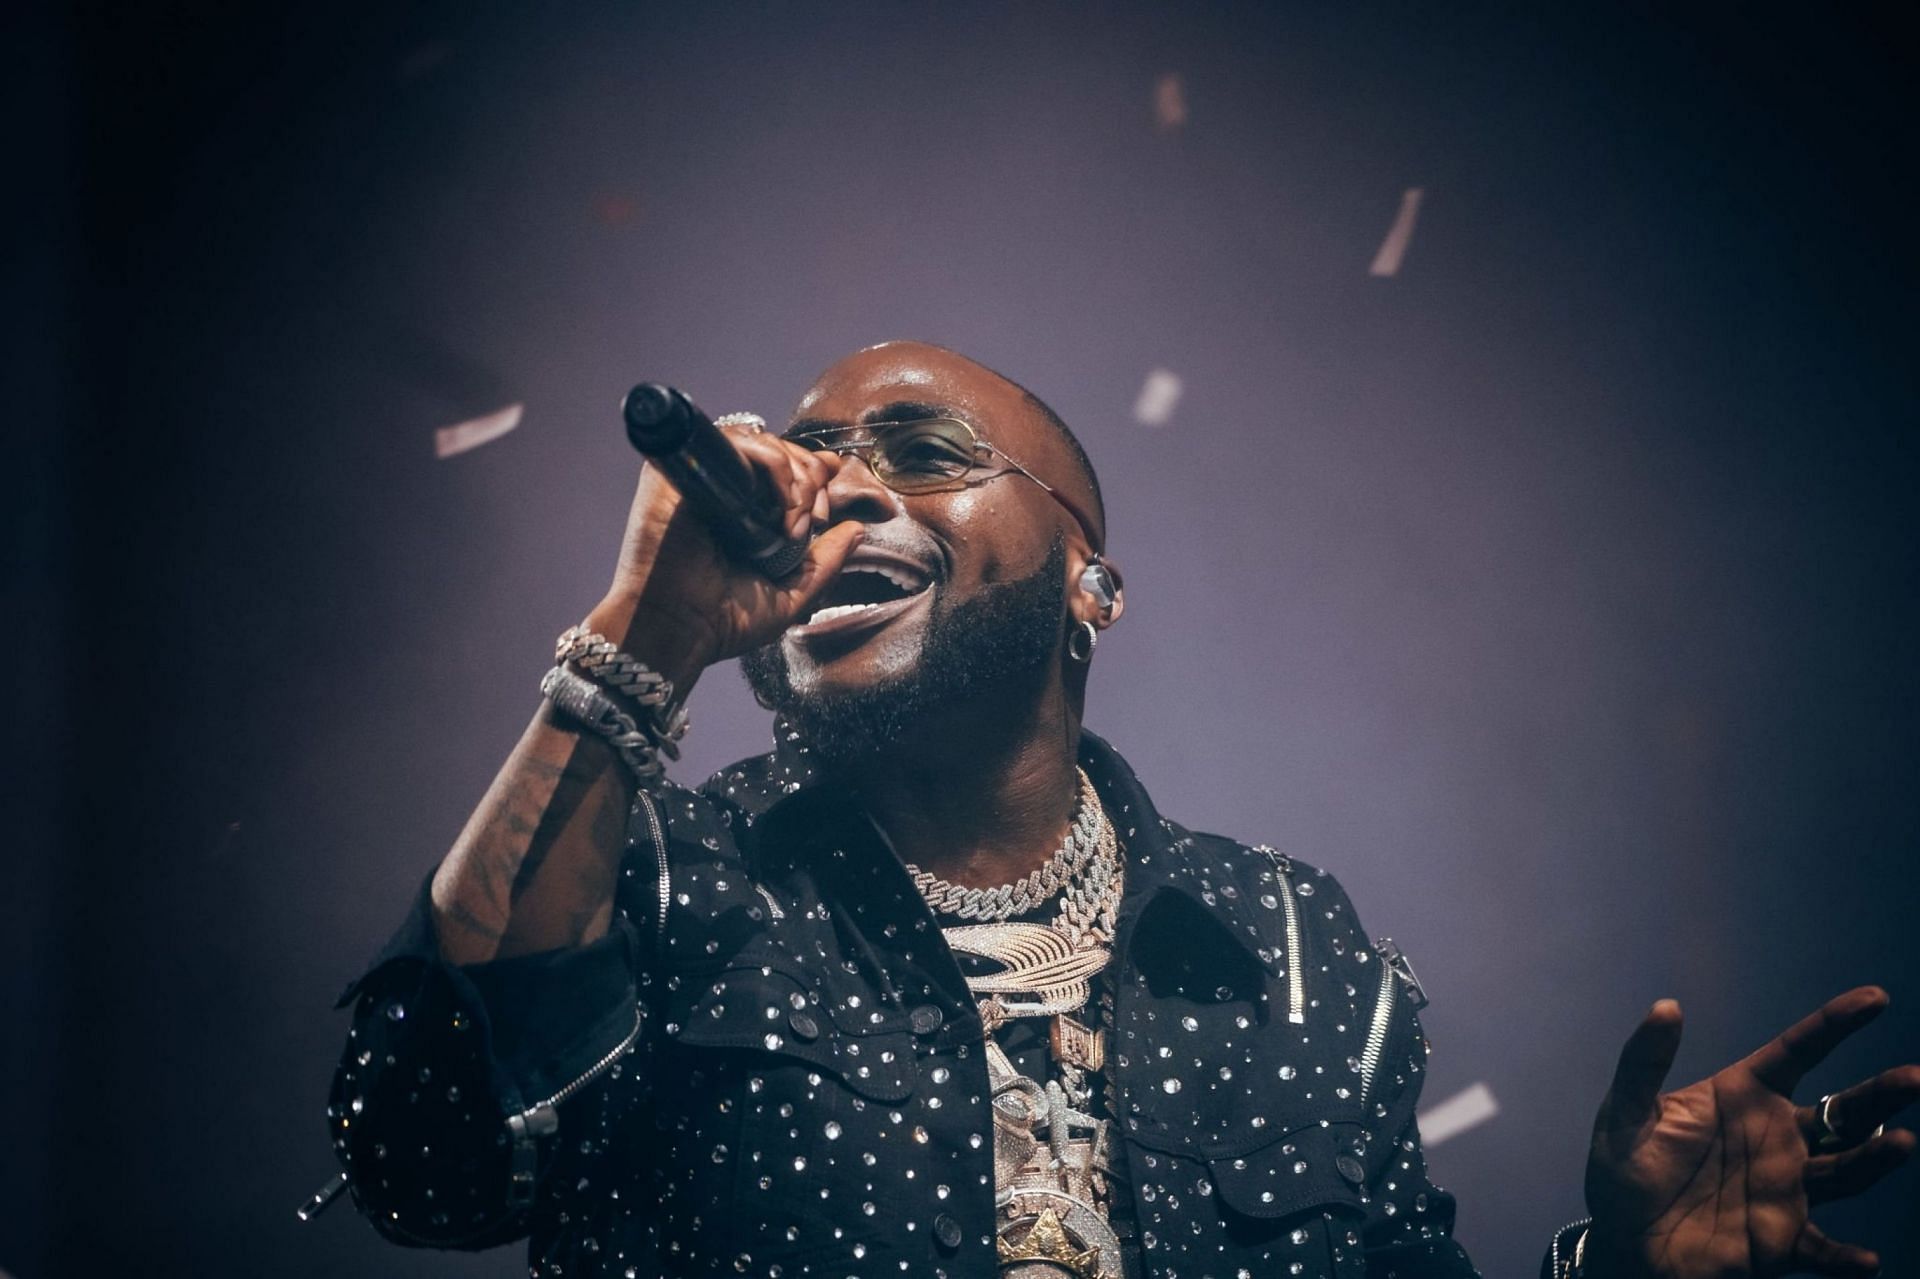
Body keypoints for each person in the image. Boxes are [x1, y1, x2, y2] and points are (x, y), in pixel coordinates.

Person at [320, 341, 1916, 1278]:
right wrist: (646, 630)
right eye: (811, 460)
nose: (839, 486)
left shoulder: (1293, 944)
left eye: (918, 453)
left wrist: (1614, 1271)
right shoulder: (662, 873)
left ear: (1095, 582)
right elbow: (430, 1157)